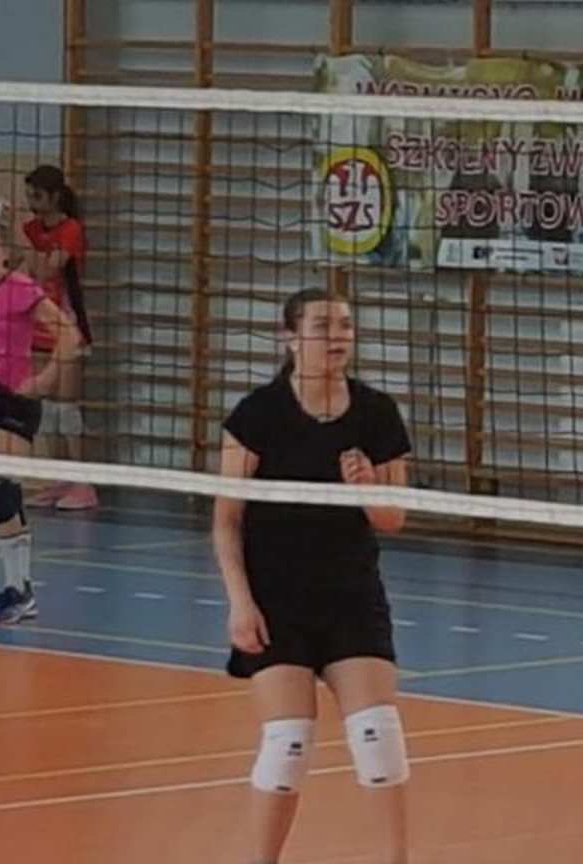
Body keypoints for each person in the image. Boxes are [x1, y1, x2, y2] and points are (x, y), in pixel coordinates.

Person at [215, 288, 412, 864]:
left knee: (378, 733)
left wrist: (367, 488)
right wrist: (239, 603)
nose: (338, 336)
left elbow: (394, 519)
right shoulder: (257, 415)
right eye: (324, 325)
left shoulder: (376, 413)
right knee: (288, 743)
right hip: (276, 600)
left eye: (346, 325)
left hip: (351, 595)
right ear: (290, 337)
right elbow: (226, 521)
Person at [0, 199, 83, 625]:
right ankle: (18, 590)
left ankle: (19, 592)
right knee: (1, 494)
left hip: (13, 402)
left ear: (3, 253)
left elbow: (69, 335)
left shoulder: (20, 288)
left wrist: (45, 380)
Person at [22, 164, 96, 511]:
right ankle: (58, 478)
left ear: (54, 196)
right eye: (29, 195)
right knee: (47, 407)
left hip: (68, 325)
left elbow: (46, 269)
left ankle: (83, 484)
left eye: (37, 195)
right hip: (39, 326)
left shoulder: (71, 230)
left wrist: (24, 245)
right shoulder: (30, 229)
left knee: (67, 406)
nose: (31, 202)